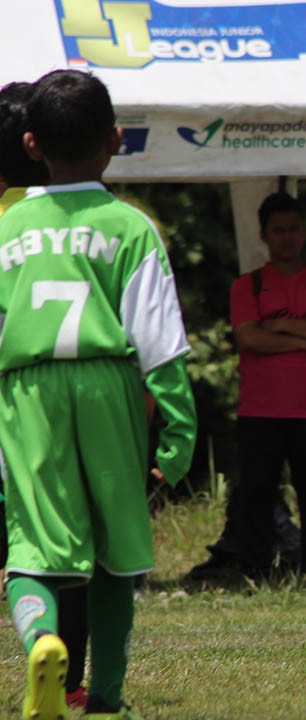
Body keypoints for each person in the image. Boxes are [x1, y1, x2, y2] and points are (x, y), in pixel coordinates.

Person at [0, 69, 197, 719]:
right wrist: (178, 433)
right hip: (108, 387)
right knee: (115, 552)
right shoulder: (131, 229)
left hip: (27, 391)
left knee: (32, 546)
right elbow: (160, 344)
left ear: (31, 145)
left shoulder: (7, 230)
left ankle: (42, 639)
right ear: (117, 138)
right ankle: (106, 697)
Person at [190, 192, 306, 587]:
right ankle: (256, 573)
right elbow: (249, 337)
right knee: (257, 494)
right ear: (263, 235)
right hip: (260, 408)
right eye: (278, 230)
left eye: (294, 229)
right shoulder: (249, 285)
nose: (287, 237)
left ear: (304, 231)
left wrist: (278, 326)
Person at [0, 78, 95, 713]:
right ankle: (75, 678)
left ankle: (39, 638)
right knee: (64, 543)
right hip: (52, 399)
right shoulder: (58, 215)